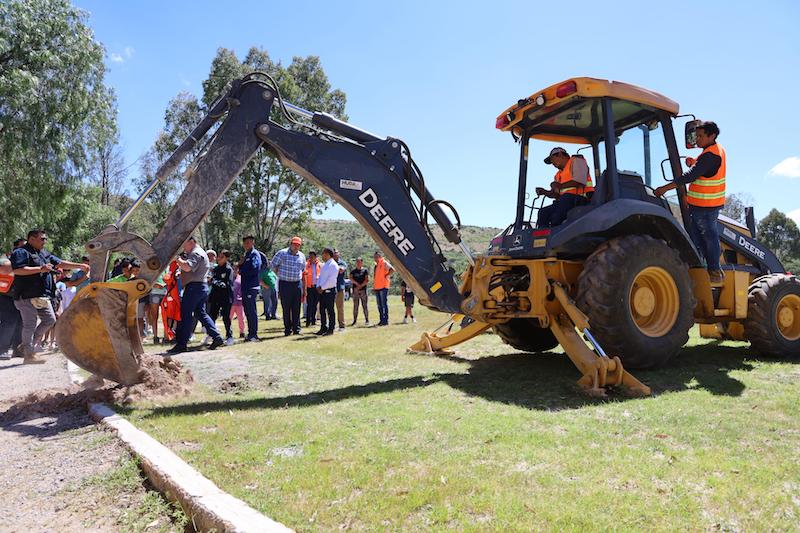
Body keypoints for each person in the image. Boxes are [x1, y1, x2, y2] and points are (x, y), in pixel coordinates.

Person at [654, 121, 726, 283]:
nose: (697, 140)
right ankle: (707, 260)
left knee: (708, 237)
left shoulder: (710, 156)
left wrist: (665, 188)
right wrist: (693, 161)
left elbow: (690, 176)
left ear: (711, 136)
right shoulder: (712, 151)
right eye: (696, 136)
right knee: (696, 237)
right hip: (701, 205)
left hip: (706, 206)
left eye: (700, 136)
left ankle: (714, 269)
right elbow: (703, 168)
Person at [10, 229, 89, 363]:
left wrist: (80, 266)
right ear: (32, 239)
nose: (45, 241)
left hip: (41, 297)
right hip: (26, 296)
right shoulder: (20, 252)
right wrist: (40, 269)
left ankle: (26, 346)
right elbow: (18, 270)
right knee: (30, 324)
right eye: (42, 239)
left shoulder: (43, 253)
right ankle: (29, 354)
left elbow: (60, 263)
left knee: (50, 320)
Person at [165, 237, 224, 355]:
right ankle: (216, 337)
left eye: (184, 244)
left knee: (185, 314)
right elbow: (188, 269)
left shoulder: (196, 253)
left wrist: (177, 259)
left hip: (194, 288)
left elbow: (187, 267)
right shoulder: (197, 252)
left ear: (191, 242)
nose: (183, 248)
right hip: (199, 287)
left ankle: (181, 344)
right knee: (200, 313)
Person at [535, 147, 594, 228]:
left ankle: (556, 231)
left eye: (553, 159)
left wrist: (559, 186)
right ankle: (543, 237)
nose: (552, 163)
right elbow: (557, 195)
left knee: (557, 215)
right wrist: (545, 192)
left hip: (581, 199)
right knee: (543, 212)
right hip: (565, 201)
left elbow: (579, 181)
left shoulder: (576, 160)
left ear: (560, 154)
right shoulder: (558, 175)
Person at [271, 236, 307, 336]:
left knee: (296, 307)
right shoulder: (282, 253)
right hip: (285, 283)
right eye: (294, 244)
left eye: (298, 245)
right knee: (286, 307)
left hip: (297, 284)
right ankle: (287, 329)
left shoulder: (302, 256)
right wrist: (278, 274)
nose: (296, 246)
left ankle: (296, 329)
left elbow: (303, 269)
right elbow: (273, 265)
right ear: (290, 244)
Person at [0, 239, 26, 359]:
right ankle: (2, 350)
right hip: (5, 296)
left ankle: (18, 349)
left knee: (21, 323)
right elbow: (4, 267)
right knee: (9, 322)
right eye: (21, 247)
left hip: (20, 296)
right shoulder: (5, 259)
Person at [238, 235, 262, 342]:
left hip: (251, 286)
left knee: (251, 311)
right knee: (247, 310)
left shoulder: (254, 254)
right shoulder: (246, 254)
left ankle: (253, 334)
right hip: (245, 286)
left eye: (249, 242)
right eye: (245, 243)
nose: (247, 244)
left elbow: (254, 269)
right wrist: (240, 265)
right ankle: (250, 333)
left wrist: (241, 270)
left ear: (253, 242)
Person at [208, 250, 235, 346]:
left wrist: (214, 281)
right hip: (215, 296)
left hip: (226, 297)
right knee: (212, 316)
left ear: (227, 258)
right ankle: (211, 335)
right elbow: (211, 280)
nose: (218, 259)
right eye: (218, 256)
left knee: (226, 317)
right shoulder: (215, 269)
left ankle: (229, 336)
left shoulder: (228, 269)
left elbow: (226, 284)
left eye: (221, 257)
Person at [315, 248, 339, 336]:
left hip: (329, 290)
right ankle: (323, 327)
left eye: (324, 254)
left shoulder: (333, 265)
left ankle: (331, 328)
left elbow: (331, 280)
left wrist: (322, 287)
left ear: (328, 254)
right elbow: (320, 277)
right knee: (322, 310)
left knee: (330, 310)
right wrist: (318, 286)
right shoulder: (325, 265)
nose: (322, 256)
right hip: (322, 291)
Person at [372, 250, 394, 326]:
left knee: (384, 304)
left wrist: (386, 276)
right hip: (377, 287)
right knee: (379, 305)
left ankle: (386, 320)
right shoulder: (376, 265)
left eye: (377, 256)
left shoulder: (384, 262)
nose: (375, 258)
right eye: (374, 257)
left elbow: (392, 269)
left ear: (380, 256)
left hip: (383, 287)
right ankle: (381, 320)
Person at [349, 257, 370, 326]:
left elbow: (367, 280)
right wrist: (357, 284)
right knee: (355, 306)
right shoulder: (353, 271)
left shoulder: (365, 270)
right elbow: (350, 278)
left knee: (365, 306)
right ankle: (354, 321)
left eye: (359, 261)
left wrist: (361, 286)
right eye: (357, 262)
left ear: (362, 262)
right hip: (355, 291)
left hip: (363, 291)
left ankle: (367, 320)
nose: (358, 263)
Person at [303, 251, 321, 327]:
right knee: (309, 305)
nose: (311, 258)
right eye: (310, 256)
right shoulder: (306, 265)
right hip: (309, 287)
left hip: (316, 287)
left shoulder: (319, 265)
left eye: (312, 256)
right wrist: (305, 289)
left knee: (315, 305)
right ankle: (308, 322)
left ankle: (313, 321)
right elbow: (304, 276)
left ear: (315, 257)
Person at [229, 263, 246, 338]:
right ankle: (229, 332)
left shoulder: (241, 278)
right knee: (229, 318)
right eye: (233, 269)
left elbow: (244, 289)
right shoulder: (229, 278)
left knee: (241, 318)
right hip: (231, 302)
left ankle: (242, 332)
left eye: (236, 269)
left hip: (239, 302)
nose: (235, 270)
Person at [333, 249, 348, 332]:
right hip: (331, 287)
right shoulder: (330, 262)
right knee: (330, 307)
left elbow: (341, 270)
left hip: (340, 288)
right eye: (334, 253)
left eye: (336, 253)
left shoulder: (342, 263)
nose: (335, 254)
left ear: (339, 254)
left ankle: (341, 326)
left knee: (340, 307)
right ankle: (332, 324)